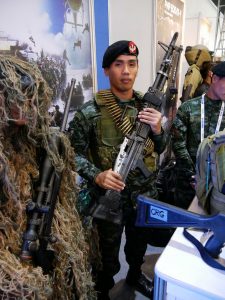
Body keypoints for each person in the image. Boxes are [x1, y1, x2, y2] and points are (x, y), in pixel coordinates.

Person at [69, 40, 167, 299]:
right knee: (106, 256)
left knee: (137, 247)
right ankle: (103, 289)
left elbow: (161, 147)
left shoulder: (148, 109)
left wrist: (158, 129)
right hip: (108, 198)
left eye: (132, 64)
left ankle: (135, 276)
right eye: (118, 64)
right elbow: (70, 155)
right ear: (106, 70)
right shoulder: (90, 112)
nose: (126, 71)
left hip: (141, 198)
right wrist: (97, 174)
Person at [171, 61, 225, 209]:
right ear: (214, 79)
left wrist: (210, 177)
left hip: (216, 185)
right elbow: (178, 143)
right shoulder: (188, 108)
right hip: (187, 183)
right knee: (183, 223)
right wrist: (194, 174)